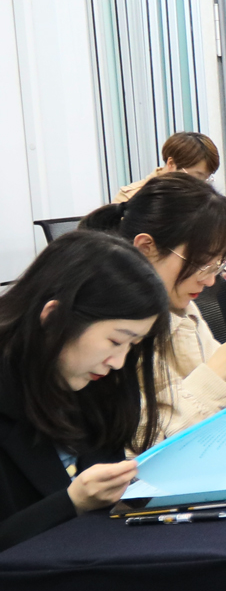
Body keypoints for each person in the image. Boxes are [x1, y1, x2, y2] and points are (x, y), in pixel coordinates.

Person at [78, 173, 226, 442]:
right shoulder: (112, 328)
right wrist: (215, 378)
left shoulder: (183, 309)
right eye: (202, 263)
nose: (210, 280)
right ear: (146, 247)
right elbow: (137, 446)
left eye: (218, 265)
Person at [0, 232, 167, 550]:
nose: (119, 362)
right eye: (116, 341)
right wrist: (71, 503)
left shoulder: (92, 384)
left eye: (132, 345)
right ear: (53, 317)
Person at [115, 131, 220, 203]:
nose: (202, 185)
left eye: (207, 179)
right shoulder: (130, 197)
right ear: (171, 164)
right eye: (198, 176)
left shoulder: (206, 200)